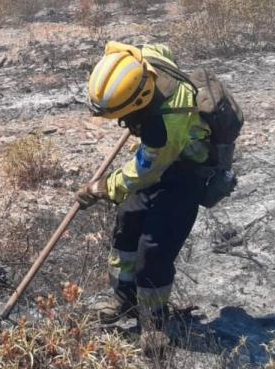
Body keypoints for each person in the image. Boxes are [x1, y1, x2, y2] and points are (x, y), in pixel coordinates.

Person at [75, 42, 214, 326]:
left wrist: (101, 188)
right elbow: (164, 50)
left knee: (153, 253)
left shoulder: (168, 125)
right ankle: (123, 300)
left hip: (183, 173)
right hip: (158, 160)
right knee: (127, 224)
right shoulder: (144, 60)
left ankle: (153, 321)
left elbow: (144, 172)